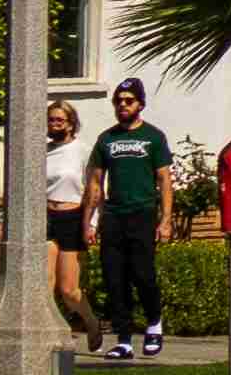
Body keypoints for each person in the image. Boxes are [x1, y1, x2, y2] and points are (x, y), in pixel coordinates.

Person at [88, 80, 174, 362]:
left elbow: (164, 180)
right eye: (118, 101)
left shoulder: (153, 137)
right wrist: (90, 221)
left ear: (140, 104)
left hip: (142, 213)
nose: (122, 105)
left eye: (128, 101)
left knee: (143, 275)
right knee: (115, 279)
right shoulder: (106, 139)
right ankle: (123, 340)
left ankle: (153, 323)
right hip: (114, 216)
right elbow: (96, 182)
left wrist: (165, 220)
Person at [43, 102, 107, 353]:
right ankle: (51, 333)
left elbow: (95, 190)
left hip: (72, 217)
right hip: (47, 218)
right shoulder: (43, 152)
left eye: (59, 120)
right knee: (45, 285)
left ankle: (91, 322)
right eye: (51, 120)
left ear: (71, 123)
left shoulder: (82, 151)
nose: (54, 124)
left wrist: (91, 223)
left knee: (68, 290)